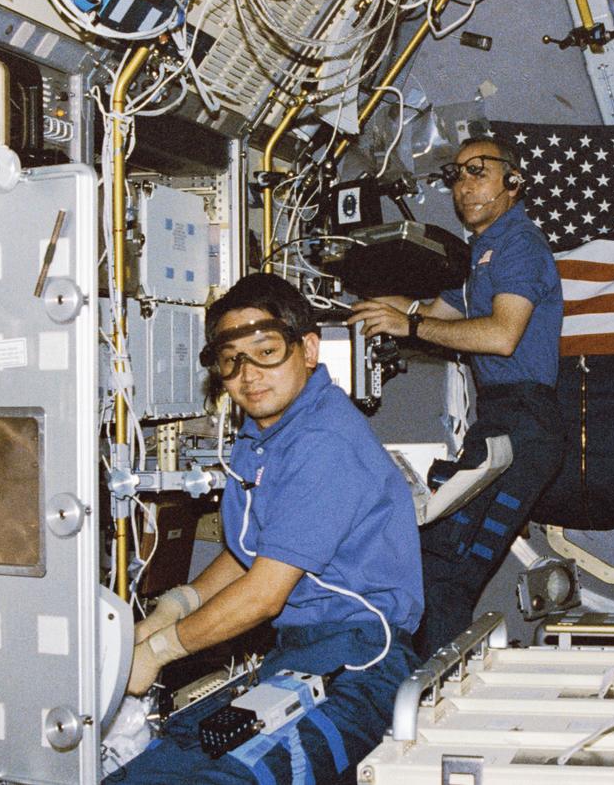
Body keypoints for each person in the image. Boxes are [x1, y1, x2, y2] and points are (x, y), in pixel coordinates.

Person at [109, 273, 423, 785]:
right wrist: (176, 605)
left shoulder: (324, 441)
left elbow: (263, 594)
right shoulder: (264, 434)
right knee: (167, 755)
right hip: (302, 655)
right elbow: (252, 549)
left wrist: (162, 651)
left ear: (309, 349)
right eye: (231, 359)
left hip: (358, 665)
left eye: (266, 351)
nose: (248, 374)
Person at [348, 135, 563, 658]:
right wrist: (356, 302)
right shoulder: (484, 253)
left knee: (442, 567)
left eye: (479, 171)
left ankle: (425, 698)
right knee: (439, 560)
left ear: (513, 182)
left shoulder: (519, 245)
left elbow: (500, 335)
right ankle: (427, 685)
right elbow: (435, 309)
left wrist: (410, 325)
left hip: (525, 425)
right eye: (457, 175)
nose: (464, 185)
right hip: (506, 420)